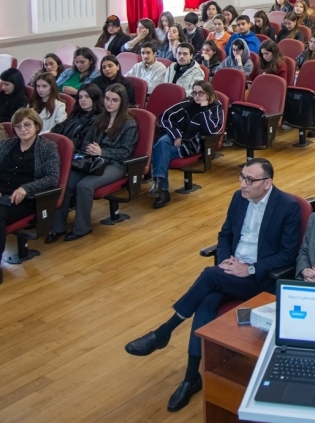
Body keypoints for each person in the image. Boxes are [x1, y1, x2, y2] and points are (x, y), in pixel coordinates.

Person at [124, 158, 302, 412]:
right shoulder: (239, 198)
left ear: (267, 183)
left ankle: (164, 331)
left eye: (249, 180)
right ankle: (190, 377)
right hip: (231, 270)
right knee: (206, 301)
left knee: (209, 276)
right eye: (241, 177)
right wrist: (228, 259)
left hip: (258, 279)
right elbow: (225, 234)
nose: (242, 184)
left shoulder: (287, 207)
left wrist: (249, 268)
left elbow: (287, 254)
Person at [0, 108, 61, 295]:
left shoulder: (47, 147)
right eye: (18, 126)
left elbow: (52, 178)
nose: (23, 129)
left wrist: (26, 188)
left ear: (36, 125)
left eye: (27, 125)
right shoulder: (7, 144)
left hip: (24, 197)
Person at [47, 85, 139, 242]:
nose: (109, 103)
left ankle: (82, 227)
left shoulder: (129, 124)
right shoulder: (99, 118)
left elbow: (125, 152)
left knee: (84, 186)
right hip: (93, 160)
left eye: (114, 100)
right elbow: (87, 140)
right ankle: (57, 227)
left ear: (122, 102)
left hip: (115, 164)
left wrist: (102, 152)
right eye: (107, 99)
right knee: (66, 182)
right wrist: (90, 148)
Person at [147, 81, 225, 209]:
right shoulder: (188, 102)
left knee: (160, 150)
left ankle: (161, 188)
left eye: (200, 93)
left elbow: (211, 131)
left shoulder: (216, 107)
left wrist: (204, 109)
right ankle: (160, 186)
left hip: (191, 144)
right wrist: (176, 134)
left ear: (209, 94)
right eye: (195, 92)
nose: (197, 96)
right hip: (176, 137)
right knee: (162, 143)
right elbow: (165, 116)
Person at [52, 85, 102, 153]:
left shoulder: (98, 119)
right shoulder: (76, 114)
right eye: (80, 97)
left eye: (87, 96)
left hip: (75, 154)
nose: (83, 100)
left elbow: (85, 145)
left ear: (95, 97)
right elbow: (58, 128)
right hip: (61, 149)